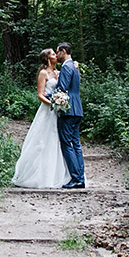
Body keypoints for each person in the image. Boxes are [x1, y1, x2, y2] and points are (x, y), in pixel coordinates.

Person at [11, 48, 71, 189]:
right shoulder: (43, 73)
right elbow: (40, 94)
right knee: (44, 140)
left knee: (58, 140)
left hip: (58, 111)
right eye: (53, 54)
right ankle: (40, 175)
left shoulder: (58, 73)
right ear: (47, 58)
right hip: (48, 110)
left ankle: (60, 174)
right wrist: (53, 104)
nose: (56, 56)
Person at [55, 42, 85, 188]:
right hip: (77, 108)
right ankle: (80, 178)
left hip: (68, 109)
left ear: (63, 51)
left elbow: (62, 88)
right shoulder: (74, 66)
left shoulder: (66, 67)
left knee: (67, 144)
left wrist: (48, 95)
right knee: (76, 144)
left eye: (57, 52)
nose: (56, 55)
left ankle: (76, 178)